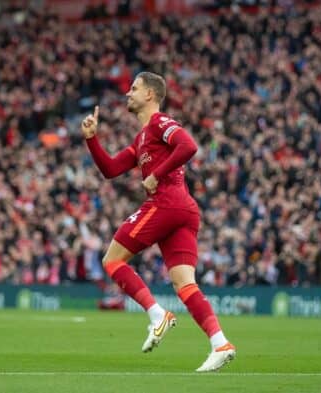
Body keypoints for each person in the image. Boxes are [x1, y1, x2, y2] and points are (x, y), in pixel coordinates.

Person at [81, 71, 235, 372]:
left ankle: (156, 315)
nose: (128, 93)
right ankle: (220, 343)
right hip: (183, 210)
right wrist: (92, 140)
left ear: (150, 95)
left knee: (112, 261)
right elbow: (111, 169)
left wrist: (155, 174)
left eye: (134, 88)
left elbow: (189, 146)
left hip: (167, 202)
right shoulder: (141, 139)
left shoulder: (159, 123)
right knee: (184, 284)